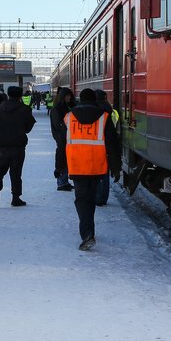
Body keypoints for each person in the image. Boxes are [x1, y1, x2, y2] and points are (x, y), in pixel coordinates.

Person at [65, 88, 121, 251]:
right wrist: (116, 168)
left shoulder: (69, 118)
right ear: (95, 100)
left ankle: (87, 234)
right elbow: (113, 145)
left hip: (76, 166)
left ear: (80, 100)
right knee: (90, 199)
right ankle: (89, 231)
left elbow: (63, 143)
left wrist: (59, 166)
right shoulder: (104, 118)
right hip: (97, 167)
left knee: (82, 200)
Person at [0, 85, 36, 208]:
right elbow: (29, 127)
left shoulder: (0, 108)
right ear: (20, 96)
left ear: (9, 95)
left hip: (2, 145)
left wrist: (2, 130)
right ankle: (16, 198)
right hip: (18, 146)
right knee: (16, 172)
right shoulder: (25, 109)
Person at [94, 89, 119, 206]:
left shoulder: (94, 113)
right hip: (105, 148)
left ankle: (98, 197)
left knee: (96, 175)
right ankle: (103, 197)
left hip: (95, 147)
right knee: (104, 173)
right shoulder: (109, 111)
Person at [49, 87, 75, 191]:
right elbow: (58, 125)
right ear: (63, 96)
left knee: (66, 158)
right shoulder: (57, 109)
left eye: (70, 95)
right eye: (67, 95)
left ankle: (64, 181)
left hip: (68, 136)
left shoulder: (68, 106)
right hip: (61, 137)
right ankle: (61, 182)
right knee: (61, 158)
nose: (69, 97)